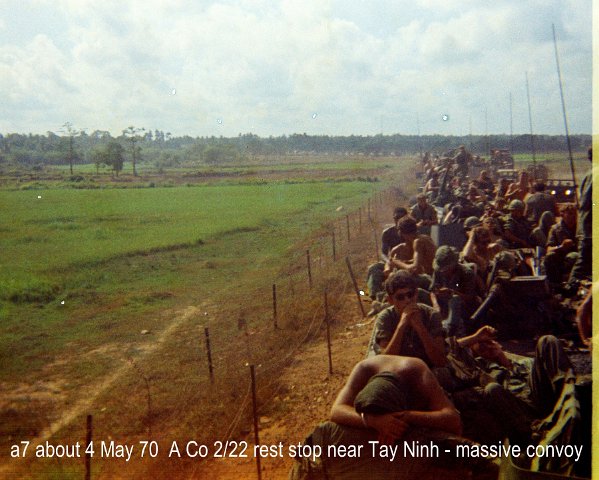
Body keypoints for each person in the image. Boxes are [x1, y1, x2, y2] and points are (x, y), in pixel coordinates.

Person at [330, 355, 462, 444]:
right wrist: (372, 420)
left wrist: (405, 417)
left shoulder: (415, 371)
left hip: (437, 383)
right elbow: (337, 410)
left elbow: (453, 419)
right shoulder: (364, 369)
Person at [367, 270, 446, 368]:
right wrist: (401, 325)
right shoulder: (385, 318)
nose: (407, 300)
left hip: (428, 370)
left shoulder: (431, 315)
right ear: (390, 300)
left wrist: (420, 327)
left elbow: (440, 361)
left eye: (410, 294)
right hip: (399, 371)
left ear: (416, 293)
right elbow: (385, 362)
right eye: (400, 297)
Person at [430, 246, 479, 337]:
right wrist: (435, 304)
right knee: (420, 292)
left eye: (446, 269)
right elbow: (433, 290)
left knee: (455, 300)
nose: (443, 271)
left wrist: (452, 292)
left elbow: (470, 297)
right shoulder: (438, 271)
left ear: (453, 264)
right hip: (442, 303)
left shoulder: (466, 273)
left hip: (462, 307)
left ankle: (449, 332)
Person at [544, 204, 578, 284]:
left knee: (574, 256)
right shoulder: (555, 229)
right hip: (561, 259)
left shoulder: (580, 228)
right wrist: (561, 246)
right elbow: (549, 249)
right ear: (562, 214)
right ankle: (555, 286)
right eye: (569, 213)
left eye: (574, 214)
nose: (572, 216)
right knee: (550, 257)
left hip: (577, 257)